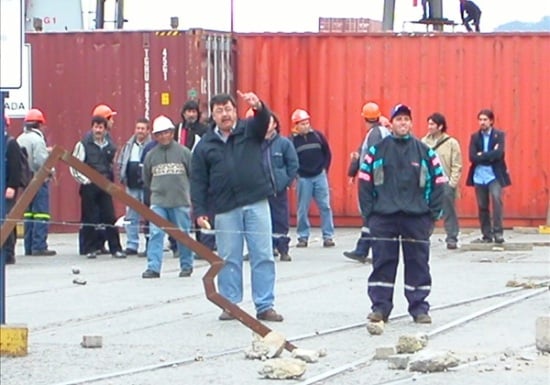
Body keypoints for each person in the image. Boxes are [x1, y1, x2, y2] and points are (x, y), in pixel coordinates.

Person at [191, 91, 283, 322]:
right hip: (225, 208)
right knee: (228, 258)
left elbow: (264, 121)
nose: (225, 115)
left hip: (256, 203)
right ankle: (230, 304)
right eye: (220, 111)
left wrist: (259, 106)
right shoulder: (205, 145)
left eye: (229, 109)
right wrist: (200, 211)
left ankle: (265, 305)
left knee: (262, 254)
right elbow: (199, 181)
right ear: (212, 114)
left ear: (236, 111)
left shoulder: (249, 130)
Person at [359, 104, 447, 324]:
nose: (403, 123)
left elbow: (439, 182)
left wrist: (432, 214)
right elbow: (364, 182)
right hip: (384, 218)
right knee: (382, 263)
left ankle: (419, 308)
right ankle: (380, 308)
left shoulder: (425, 151)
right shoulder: (377, 150)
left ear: (411, 123)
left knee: (418, 263)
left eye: (406, 119)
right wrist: (369, 214)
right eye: (398, 119)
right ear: (391, 123)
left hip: (416, 218)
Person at [141, 115, 194, 278]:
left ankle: (186, 265)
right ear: (155, 136)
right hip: (158, 202)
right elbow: (146, 178)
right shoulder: (150, 155)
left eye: (166, 132)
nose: (164, 136)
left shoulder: (184, 153)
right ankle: (153, 267)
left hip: (180, 201)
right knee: (156, 233)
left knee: (183, 234)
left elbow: (193, 175)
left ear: (172, 132)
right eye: (160, 134)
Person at [70, 115, 126, 259]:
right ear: (92, 127)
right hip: (89, 186)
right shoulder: (83, 144)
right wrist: (84, 180)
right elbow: (74, 165)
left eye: (101, 127)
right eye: (96, 127)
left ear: (105, 129)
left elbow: (112, 166)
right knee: (90, 217)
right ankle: (90, 249)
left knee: (109, 216)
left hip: (105, 186)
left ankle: (116, 249)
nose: (98, 130)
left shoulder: (110, 146)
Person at [344, 102, 391, 263]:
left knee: (371, 215)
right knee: (371, 216)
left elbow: (372, 157)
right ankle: (362, 249)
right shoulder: (383, 132)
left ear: (365, 118)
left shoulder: (373, 134)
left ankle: (364, 250)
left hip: (373, 181)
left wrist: (371, 181)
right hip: (381, 181)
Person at [252, 109, 298, 261]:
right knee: (262, 221)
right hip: (259, 191)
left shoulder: (284, 143)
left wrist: (284, 182)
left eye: (269, 122)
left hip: (277, 191)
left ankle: (283, 249)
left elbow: (293, 165)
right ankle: (268, 248)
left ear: (275, 124)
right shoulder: (254, 144)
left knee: (280, 220)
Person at [290, 109, 335, 248]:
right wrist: (296, 175)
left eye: (307, 123)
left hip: (319, 176)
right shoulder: (292, 141)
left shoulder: (318, 136)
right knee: (302, 209)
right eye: (302, 124)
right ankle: (303, 237)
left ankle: (328, 236)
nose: (306, 126)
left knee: (325, 206)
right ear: (296, 125)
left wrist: (324, 169)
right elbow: (291, 160)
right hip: (303, 179)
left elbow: (327, 153)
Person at [175, 100, 216, 252]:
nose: (191, 115)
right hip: (180, 175)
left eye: (193, 112)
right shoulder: (178, 129)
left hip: (199, 174)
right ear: (183, 113)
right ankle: (178, 244)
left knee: (200, 207)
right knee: (180, 209)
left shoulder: (204, 130)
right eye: (188, 111)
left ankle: (204, 242)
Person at [466, 109, 511, 244]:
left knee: (497, 201)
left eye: (485, 120)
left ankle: (498, 233)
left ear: (491, 121)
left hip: (494, 175)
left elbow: (499, 154)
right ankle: (486, 235)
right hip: (479, 175)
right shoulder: (475, 137)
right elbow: (472, 157)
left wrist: (482, 155)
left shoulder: (499, 135)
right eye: (480, 120)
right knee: (482, 205)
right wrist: (488, 156)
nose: (482, 122)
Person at [16, 108, 57, 256]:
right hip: (38, 180)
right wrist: (51, 172)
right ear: (40, 125)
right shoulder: (38, 140)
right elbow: (41, 161)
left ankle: (29, 246)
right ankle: (39, 246)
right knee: (41, 214)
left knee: (28, 214)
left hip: (25, 181)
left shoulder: (20, 138)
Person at [422, 113, 463, 249]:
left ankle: (452, 237)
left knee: (449, 211)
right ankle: (423, 236)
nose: (429, 127)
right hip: (429, 183)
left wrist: (452, 183)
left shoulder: (452, 143)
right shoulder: (423, 142)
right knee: (426, 210)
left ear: (440, 126)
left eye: (432, 124)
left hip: (445, 182)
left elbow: (457, 165)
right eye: (428, 124)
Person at [116, 118, 152, 255]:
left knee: (149, 215)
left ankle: (150, 244)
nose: (140, 131)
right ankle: (132, 244)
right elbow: (120, 162)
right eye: (138, 128)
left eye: (143, 129)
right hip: (131, 185)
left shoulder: (151, 146)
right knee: (131, 216)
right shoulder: (128, 145)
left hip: (146, 186)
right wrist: (121, 176)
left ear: (148, 131)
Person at [2, 115, 22, 265]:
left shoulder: (11, 143)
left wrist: (12, 186)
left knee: (7, 220)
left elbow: (16, 168)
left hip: (7, 189)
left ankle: (8, 252)